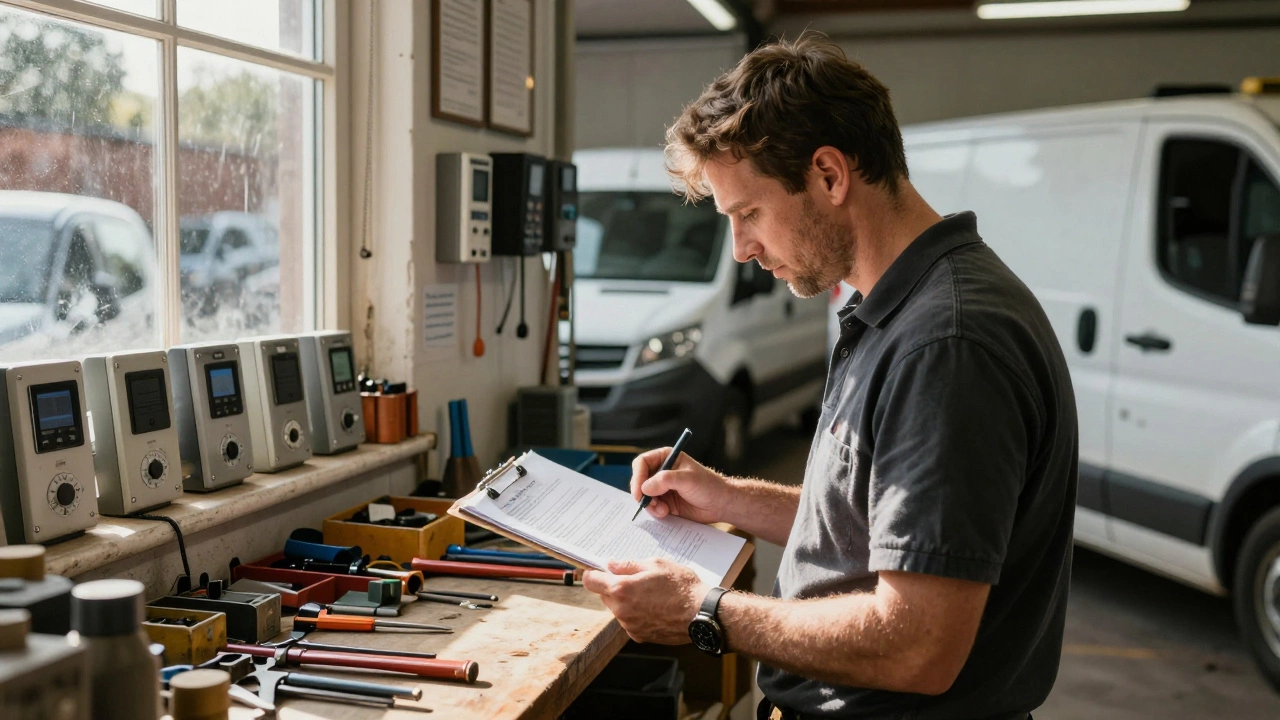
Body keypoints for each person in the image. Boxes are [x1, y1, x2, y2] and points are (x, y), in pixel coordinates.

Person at [580, 33, 1078, 720]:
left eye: (748, 213)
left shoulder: (946, 344)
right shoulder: (895, 308)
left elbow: (918, 645)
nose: (743, 248)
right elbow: (879, 532)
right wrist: (726, 498)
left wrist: (703, 610)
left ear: (829, 175)